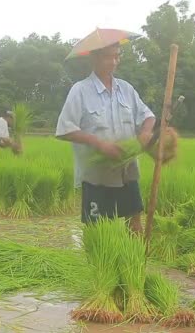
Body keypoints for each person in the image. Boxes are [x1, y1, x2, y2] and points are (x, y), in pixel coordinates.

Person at [55, 43, 156, 233]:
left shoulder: (126, 89)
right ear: (94, 58)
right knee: (97, 231)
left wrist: (144, 133)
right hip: (96, 177)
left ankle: (132, 262)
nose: (114, 61)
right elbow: (64, 129)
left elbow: (148, 116)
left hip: (127, 173)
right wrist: (100, 144)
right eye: (108, 57)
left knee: (134, 226)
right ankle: (99, 263)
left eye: (117, 56)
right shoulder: (80, 91)